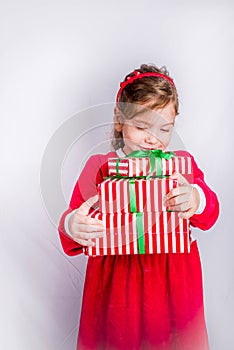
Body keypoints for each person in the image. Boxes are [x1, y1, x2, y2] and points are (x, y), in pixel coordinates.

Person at [58, 64, 219, 350]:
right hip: (117, 283)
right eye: (142, 126)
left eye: (164, 128)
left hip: (173, 280)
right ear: (120, 120)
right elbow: (71, 226)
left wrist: (195, 198)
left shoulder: (182, 165)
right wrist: (74, 225)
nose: (152, 138)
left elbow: (209, 214)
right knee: (119, 339)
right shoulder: (100, 166)